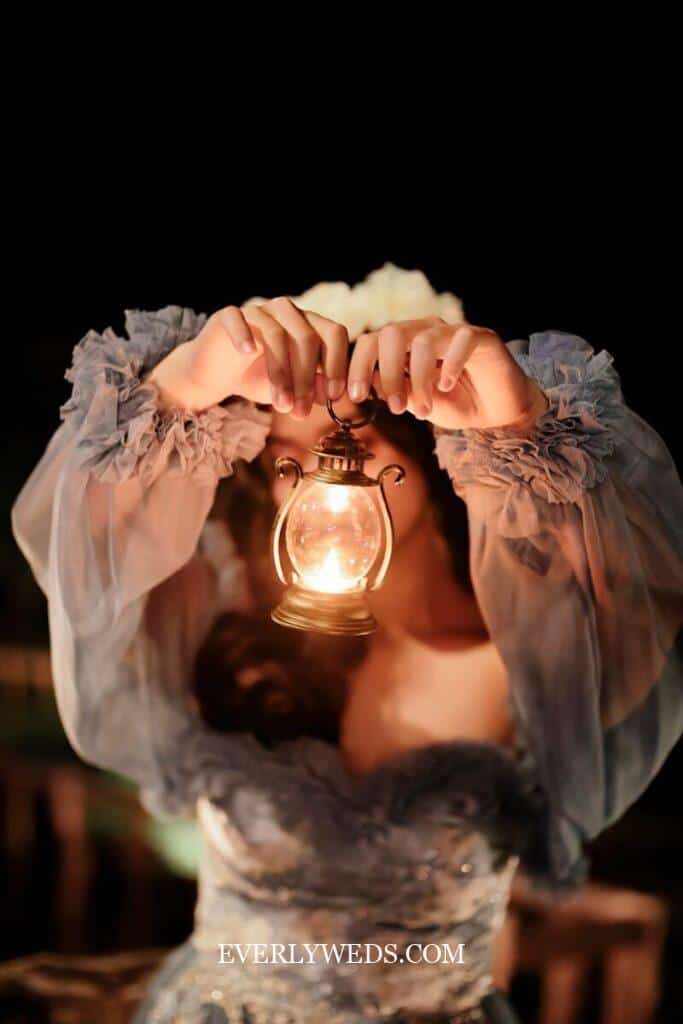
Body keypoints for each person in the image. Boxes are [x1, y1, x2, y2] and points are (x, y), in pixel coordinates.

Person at [12, 265, 683, 1023]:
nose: (312, 494)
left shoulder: (542, 658)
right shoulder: (222, 623)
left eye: (354, 457)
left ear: (433, 460)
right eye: (282, 460)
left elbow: (639, 586)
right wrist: (180, 386)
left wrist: (519, 424)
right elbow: (78, 545)